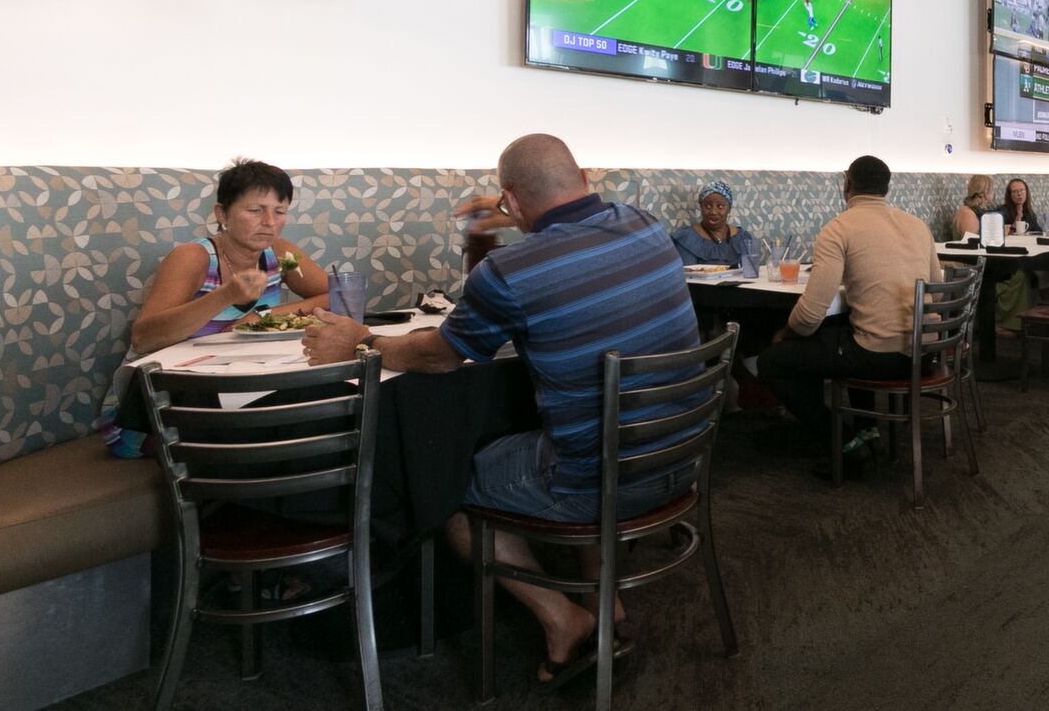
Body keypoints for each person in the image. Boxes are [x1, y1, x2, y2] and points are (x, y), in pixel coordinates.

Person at [302, 134, 704, 687]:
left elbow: (440, 356)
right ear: (584, 177)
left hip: (601, 481)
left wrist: (362, 341)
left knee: (443, 482)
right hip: (682, 459)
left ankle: (561, 618)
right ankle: (607, 608)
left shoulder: (510, 271)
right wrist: (499, 228)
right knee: (587, 438)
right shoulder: (646, 224)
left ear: (510, 201)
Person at [105, 159, 332, 459]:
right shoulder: (193, 257)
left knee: (317, 402)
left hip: (235, 381)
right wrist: (226, 295)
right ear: (222, 213)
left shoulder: (279, 253)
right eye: (256, 210)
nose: (269, 222)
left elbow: (336, 297)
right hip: (152, 407)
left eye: (280, 211)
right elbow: (144, 338)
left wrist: (263, 316)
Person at [757, 156, 940, 478]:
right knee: (848, 330)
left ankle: (845, 443)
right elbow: (936, 291)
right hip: (925, 352)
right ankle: (868, 430)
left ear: (847, 183)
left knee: (773, 360)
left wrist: (785, 333)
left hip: (880, 356)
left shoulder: (839, 228)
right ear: (887, 187)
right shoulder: (917, 225)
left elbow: (811, 313)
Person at [671, 180, 758, 267]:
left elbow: (751, 269)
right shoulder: (687, 239)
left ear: (729, 209)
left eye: (720, 206)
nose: (713, 212)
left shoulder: (742, 238)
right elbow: (686, 273)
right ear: (701, 207)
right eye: (708, 206)